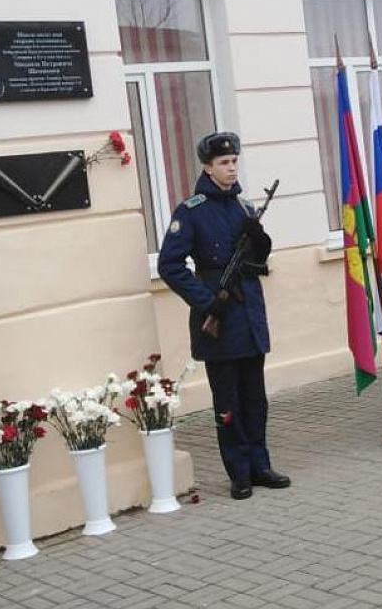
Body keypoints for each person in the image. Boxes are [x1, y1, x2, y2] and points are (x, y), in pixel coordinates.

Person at [157, 132, 289, 500]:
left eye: (234, 162)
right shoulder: (191, 210)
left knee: (255, 399)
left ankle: (261, 465)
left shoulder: (245, 208)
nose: (231, 169)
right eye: (223, 164)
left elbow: (258, 261)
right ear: (207, 167)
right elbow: (170, 265)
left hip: (248, 312)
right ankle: (239, 472)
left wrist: (260, 243)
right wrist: (205, 301)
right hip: (218, 315)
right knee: (228, 402)